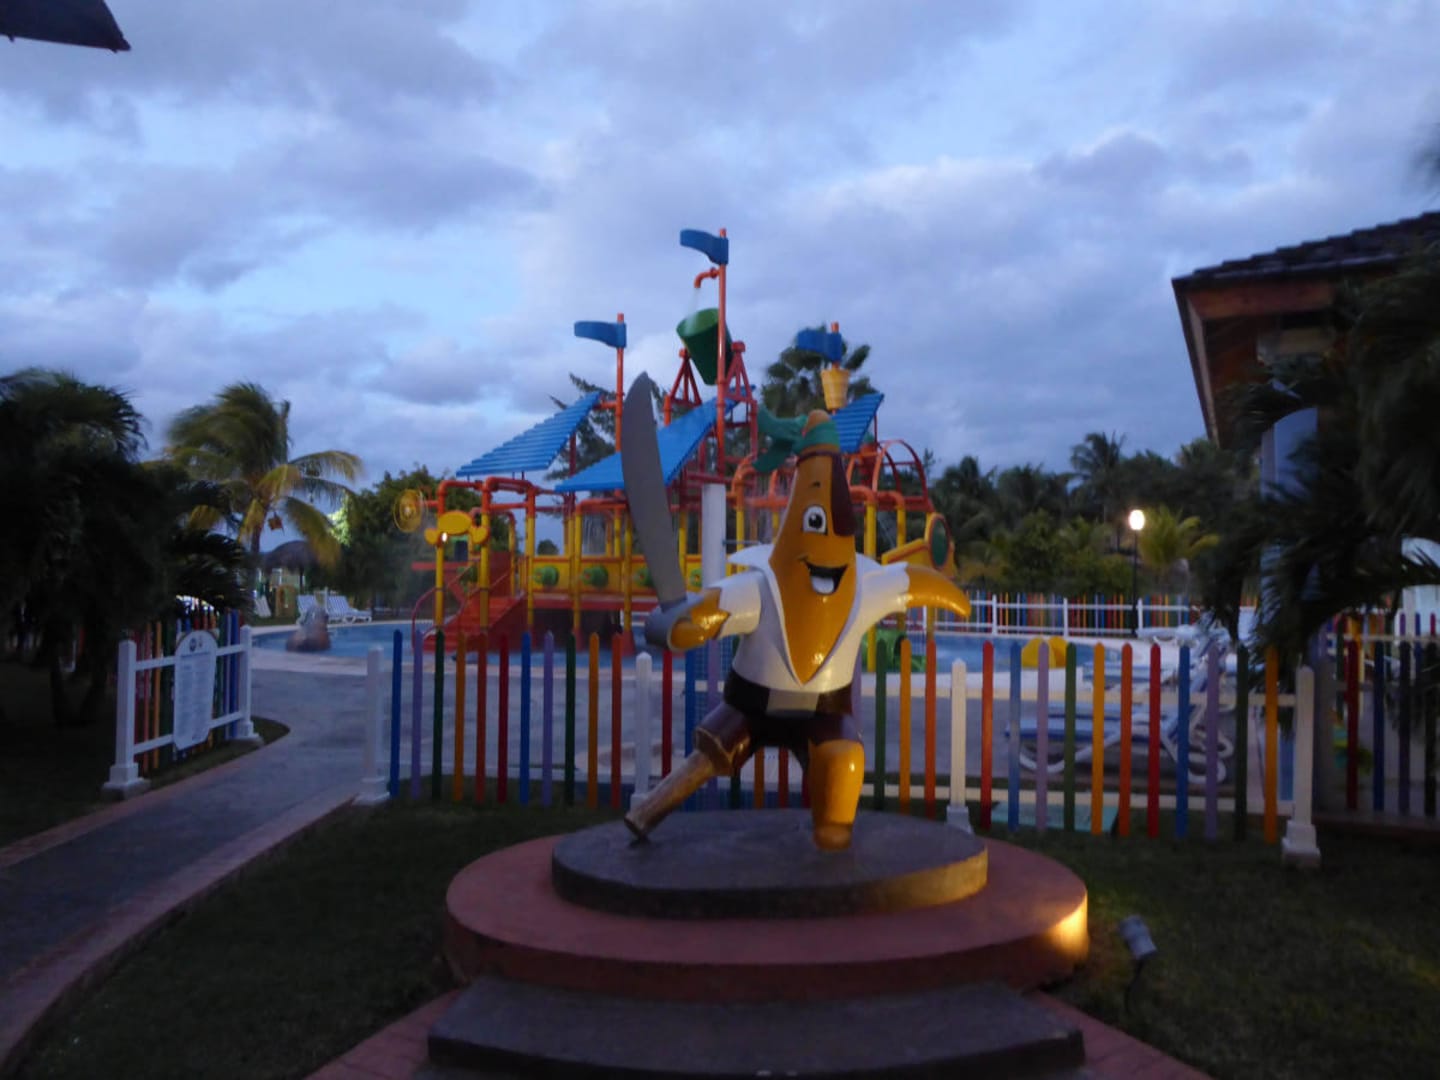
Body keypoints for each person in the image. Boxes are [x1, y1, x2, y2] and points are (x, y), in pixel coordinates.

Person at [624, 408, 971, 850]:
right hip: (750, 707)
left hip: (823, 712)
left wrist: (950, 595)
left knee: (842, 760)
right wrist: (683, 623)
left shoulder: (865, 588)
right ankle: (651, 809)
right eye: (816, 524)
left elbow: (912, 583)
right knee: (709, 756)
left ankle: (832, 838)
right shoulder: (762, 586)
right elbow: (713, 609)